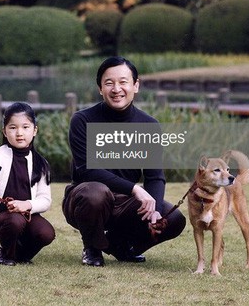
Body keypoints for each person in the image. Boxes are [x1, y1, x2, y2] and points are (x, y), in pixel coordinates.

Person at [62, 56, 186, 267]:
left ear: (135, 86)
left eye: (123, 82)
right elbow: (87, 170)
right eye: (109, 83)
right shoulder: (82, 120)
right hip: (86, 199)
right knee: (96, 192)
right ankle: (92, 248)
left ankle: (119, 246)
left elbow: (155, 176)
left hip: (127, 204)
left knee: (173, 218)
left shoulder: (149, 125)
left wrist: (154, 209)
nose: (116, 88)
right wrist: (134, 189)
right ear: (100, 88)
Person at [0, 102, 55, 266]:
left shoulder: (41, 163)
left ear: (35, 130)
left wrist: (27, 204)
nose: (19, 133)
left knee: (46, 233)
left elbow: (45, 200)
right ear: (4, 131)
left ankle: (21, 254)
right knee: (15, 221)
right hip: (0, 218)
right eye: (13, 128)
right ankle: (6, 254)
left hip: (26, 214)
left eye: (25, 127)